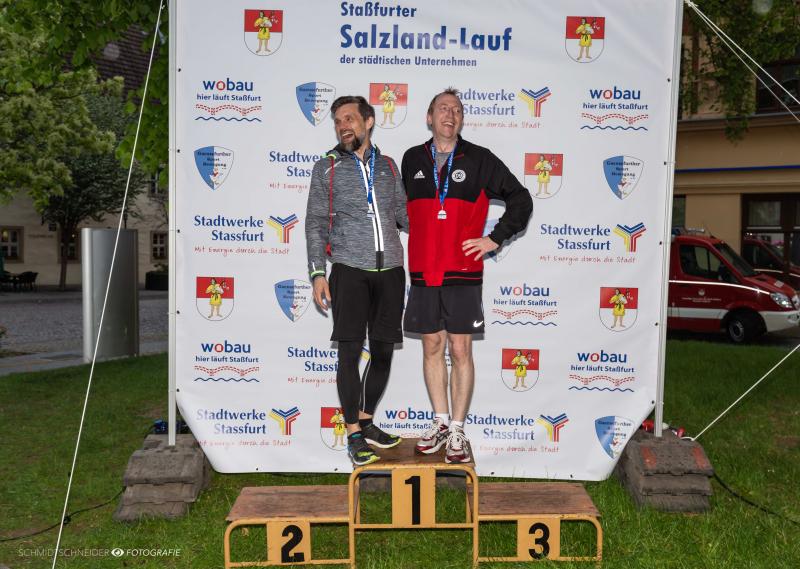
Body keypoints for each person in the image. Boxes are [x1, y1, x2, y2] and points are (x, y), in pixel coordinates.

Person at [401, 88, 533, 463]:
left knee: (459, 349)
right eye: (443, 108)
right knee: (431, 346)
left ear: (461, 119)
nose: (451, 114)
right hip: (424, 270)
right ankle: (440, 423)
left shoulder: (479, 159)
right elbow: (399, 209)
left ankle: (458, 429)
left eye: (457, 110)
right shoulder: (412, 159)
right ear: (429, 118)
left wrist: (495, 238)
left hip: (462, 270)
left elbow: (521, 198)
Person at [306, 95, 408, 466]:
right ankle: (352, 434)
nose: (343, 126)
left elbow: (405, 216)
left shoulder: (390, 166)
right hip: (349, 270)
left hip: (391, 271)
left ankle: (366, 422)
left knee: (382, 352)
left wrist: (441, 218)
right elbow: (316, 223)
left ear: (368, 121)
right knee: (349, 354)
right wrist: (318, 272)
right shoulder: (326, 168)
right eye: (337, 121)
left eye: (349, 118)